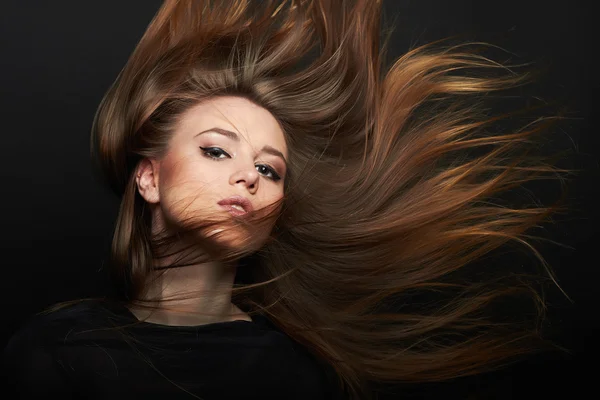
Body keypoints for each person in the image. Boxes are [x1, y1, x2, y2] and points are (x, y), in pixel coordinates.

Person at [2, 0, 574, 399]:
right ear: (149, 178)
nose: (249, 178)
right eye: (217, 152)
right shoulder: (59, 350)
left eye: (269, 169)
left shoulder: (296, 374)